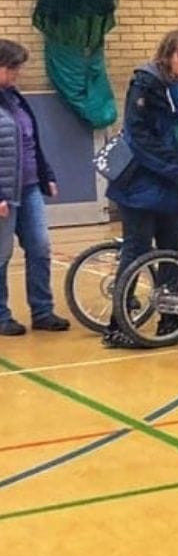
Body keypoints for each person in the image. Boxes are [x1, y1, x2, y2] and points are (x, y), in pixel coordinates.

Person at [103, 29, 178, 347]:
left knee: (174, 251)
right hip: (140, 184)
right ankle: (119, 325)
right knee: (137, 251)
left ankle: (171, 318)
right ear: (168, 55)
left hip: (172, 186)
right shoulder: (145, 84)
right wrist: (177, 167)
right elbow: (140, 138)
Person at [0, 39, 71, 335]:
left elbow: (32, 142)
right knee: (1, 255)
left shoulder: (16, 99)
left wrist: (46, 174)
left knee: (40, 247)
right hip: (5, 194)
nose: (17, 72)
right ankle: (1, 316)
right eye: (12, 67)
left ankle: (42, 311)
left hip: (29, 188)